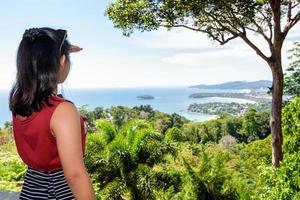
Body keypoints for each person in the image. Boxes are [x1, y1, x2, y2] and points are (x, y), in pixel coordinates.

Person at [9, 27, 96, 200]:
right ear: (62, 61)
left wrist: (60, 50)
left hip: (32, 188)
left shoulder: (20, 103)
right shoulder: (62, 111)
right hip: (59, 191)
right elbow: (75, 175)